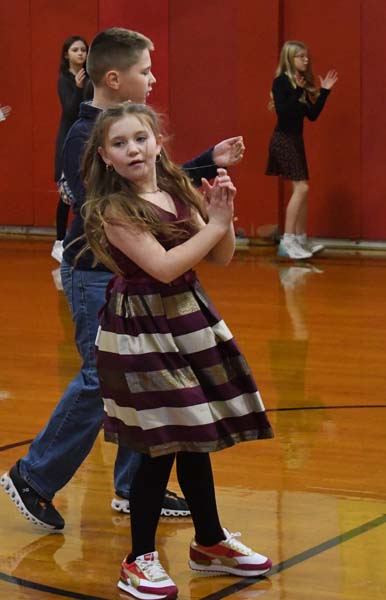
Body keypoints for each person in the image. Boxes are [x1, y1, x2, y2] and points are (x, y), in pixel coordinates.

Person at [0, 28, 245, 531]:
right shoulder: (83, 134)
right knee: (101, 377)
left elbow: (149, 179)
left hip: (128, 274)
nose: (153, 79)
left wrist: (204, 165)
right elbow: (118, 197)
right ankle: (34, 476)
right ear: (114, 78)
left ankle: (135, 489)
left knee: (141, 379)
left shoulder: (121, 128)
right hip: (95, 274)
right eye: (145, 71)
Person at [83, 101, 274, 600]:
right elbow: (164, 266)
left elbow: (222, 255)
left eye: (140, 139)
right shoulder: (113, 210)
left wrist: (222, 217)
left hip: (188, 320)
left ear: (158, 142)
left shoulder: (176, 189)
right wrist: (211, 225)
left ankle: (208, 543)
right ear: (105, 156)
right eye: (120, 144)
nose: (133, 149)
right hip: (140, 331)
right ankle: (138, 559)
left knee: (194, 433)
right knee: (162, 441)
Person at [265, 40, 338, 260]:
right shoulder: (281, 83)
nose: (306, 60)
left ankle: (299, 239)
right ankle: (287, 241)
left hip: (295, 140)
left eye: (307, 57)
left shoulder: (301, 83)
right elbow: (284, 112)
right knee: (302, 189)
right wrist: (297, 89)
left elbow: (312, 115)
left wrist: (324, 92)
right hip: (283, 140)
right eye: (301, 57)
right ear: (290, 58)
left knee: (303, 191)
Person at [51, 35, 92, 263]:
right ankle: (58, 241)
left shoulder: (90, 78)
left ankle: (83, 239)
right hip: (68, 139)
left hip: (86, 137)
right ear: (66, 54)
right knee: (66, 194)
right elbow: (69, 110)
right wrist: (77, 87)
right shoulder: (65, 79)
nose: (80, 53)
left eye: (83, 50)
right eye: (75, 50)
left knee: (83, 189)